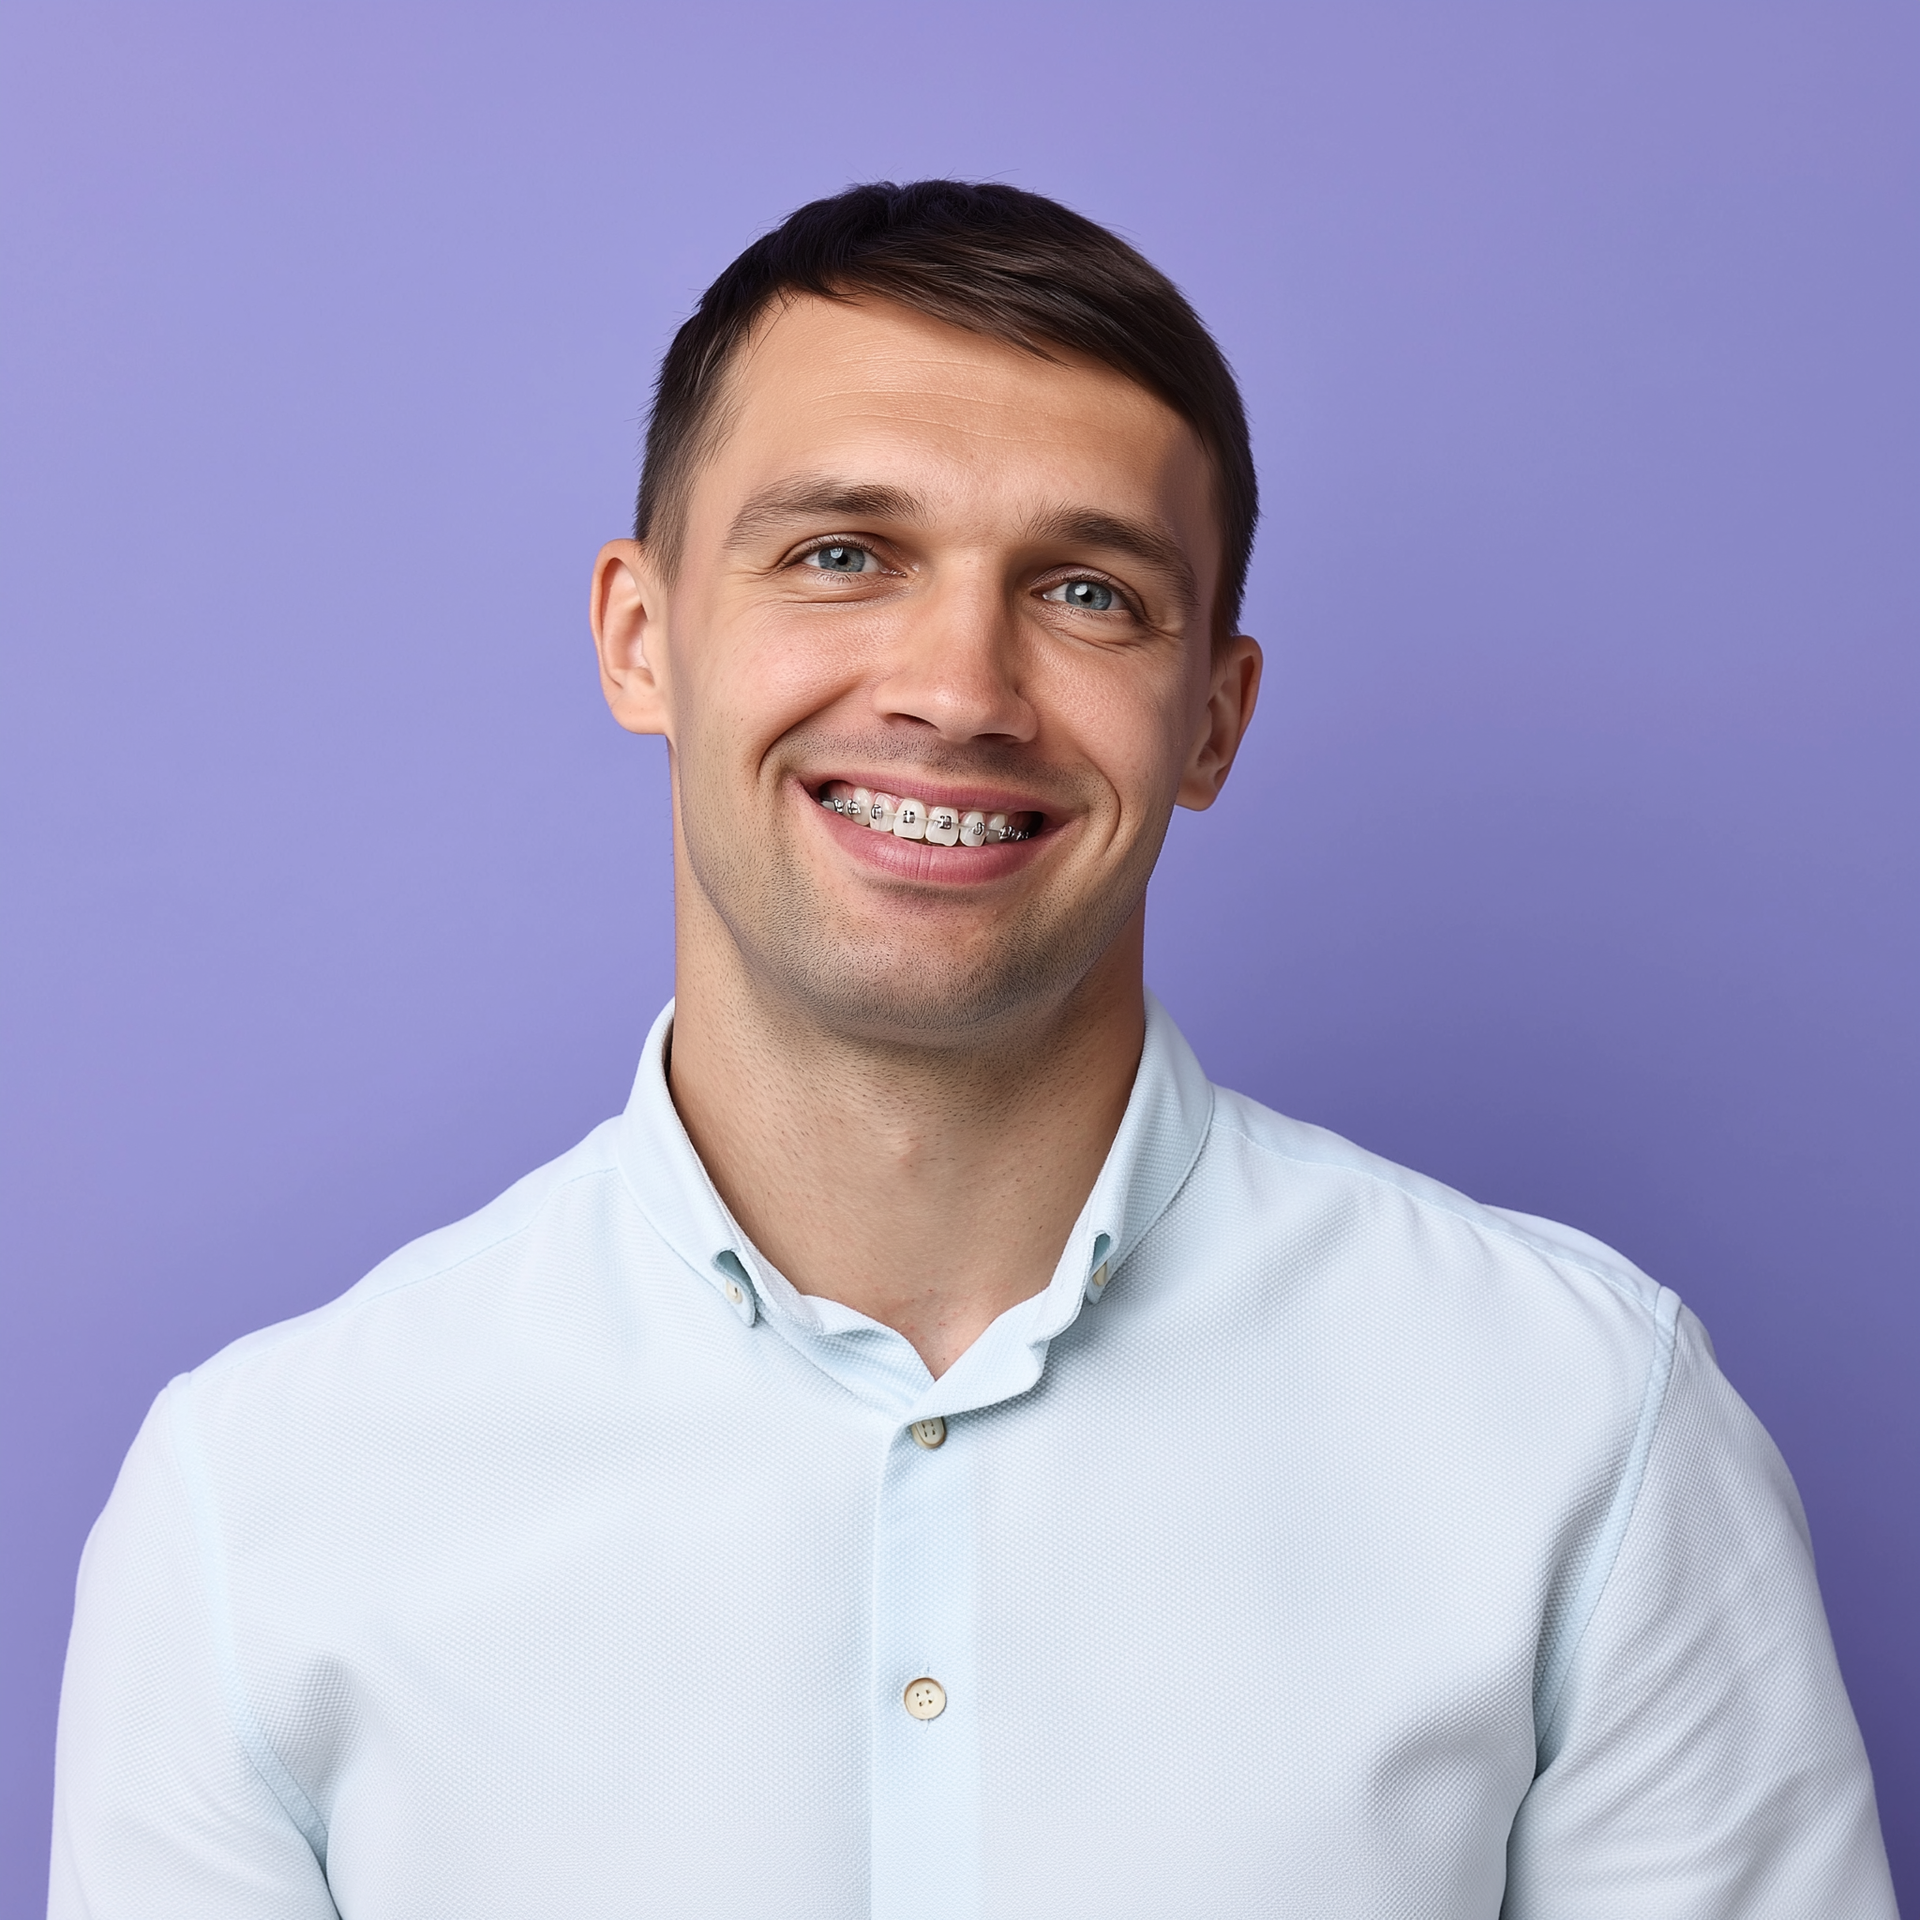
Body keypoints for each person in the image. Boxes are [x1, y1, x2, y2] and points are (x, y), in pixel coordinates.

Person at [49, 180, 1894, 1919]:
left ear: (1214, 719)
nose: (957, 689)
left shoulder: (1589, 1428)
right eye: (844, 553)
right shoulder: (261, 1504)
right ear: (641, 637)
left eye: (1088, 591)